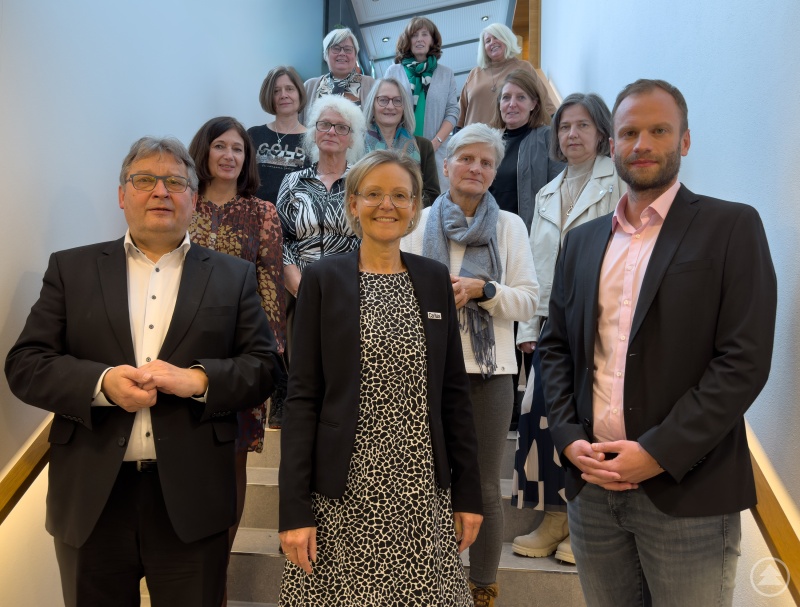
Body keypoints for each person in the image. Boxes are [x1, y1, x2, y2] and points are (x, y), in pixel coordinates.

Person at [4, 137, 281, 607]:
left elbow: (264, 367)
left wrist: (199, 380)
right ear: (121, 195)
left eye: (175, 181)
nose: (160, 191)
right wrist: (101, 385)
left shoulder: (232, 276)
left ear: (193, 198)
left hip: (192, 503)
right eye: (144, 180)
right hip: (91, 501)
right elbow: (26, 364)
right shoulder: (72, 269)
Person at [539, 79, 777, 606]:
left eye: (658, 130)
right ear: (613, 144)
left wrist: (657, 452)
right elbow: (555, 346)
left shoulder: (731, 227)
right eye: (629, 132)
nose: (642, 143)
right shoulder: (581, 241)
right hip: (592, 488)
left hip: (687, 493)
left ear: (685, 141)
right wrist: (568, 437)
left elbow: (743, 361)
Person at [278, 150, 483, 606]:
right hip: (342, 490)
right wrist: (293, 507)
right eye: (373, 194)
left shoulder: (434, 281)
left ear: (414, 207)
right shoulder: (322, 279)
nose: (386, 205)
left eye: (399, 195)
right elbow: (302, 398)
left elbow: (454, 398)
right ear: (352, 203)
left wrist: (469, 494)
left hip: (418, 489)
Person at [401, 124, 538, 607]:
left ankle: (483, 586)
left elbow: (528, 301)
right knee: (423, 477)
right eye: (467, 159)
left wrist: (485, 291)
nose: (476, 169)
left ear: (494, 172)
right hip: (423, 367)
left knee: (480, 481)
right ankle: (426, 578)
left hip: (489, 371)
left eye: (485, 162)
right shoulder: (415, 223)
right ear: (446, 165)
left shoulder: (509, 227)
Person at [511, 93, 624, 564]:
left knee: (590, 422)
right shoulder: (547, 192)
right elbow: (537, 265)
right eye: (564, 127)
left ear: (601, 133)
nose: (572, 134)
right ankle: (554, 516)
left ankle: (585, 526)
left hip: (600, 322)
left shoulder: (618, 182)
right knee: (542, 419)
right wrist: (529, 326)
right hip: (551, 322)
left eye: (581, 126)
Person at [187, 116, 286, 602]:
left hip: (242, 359)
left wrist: (267, 354)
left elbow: (270, 285)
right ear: (203, 151)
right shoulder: (181, 205)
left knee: (232, 466)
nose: (230, 156)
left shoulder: (264, 213)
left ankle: (217, 578)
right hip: (180, 359)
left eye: (239, 149)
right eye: (220, 146)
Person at [277, 95, 366, 302]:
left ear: (352, 139)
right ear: (314, 132)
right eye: (324, 124)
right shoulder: (293, 181)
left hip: (351, 290)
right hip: (298, 290)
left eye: (341, 127)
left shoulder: (362, 183)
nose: (331, 131)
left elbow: (369, 240)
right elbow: (279, 239)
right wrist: (301, 289)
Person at [385, 16, 459, 189]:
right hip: (399, 151)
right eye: (414, 35)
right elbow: (383, 109)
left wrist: (435, 143)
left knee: (434, 204)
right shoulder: (393, 71)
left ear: (432, 40)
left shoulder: (446, 74)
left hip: (437, 151)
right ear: (407, 40)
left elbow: (452, 112)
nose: (419, 39)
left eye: (425, 34)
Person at [489, 69, 564, 231]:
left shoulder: (548, 138)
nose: (512, 104)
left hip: (532, 236)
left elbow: (559, 191)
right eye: (506, 97)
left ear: (534, 104)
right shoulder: (489, 143)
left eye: (521, 97)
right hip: (494, 234)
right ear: (499, 104)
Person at [457, 23, 555, 129]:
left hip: (512, 140)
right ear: (484, 48)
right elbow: (460, 113)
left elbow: (545, 103)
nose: (492, 42)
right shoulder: (474, 73)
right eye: (487, 41)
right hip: (473, 140)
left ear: (506, 39)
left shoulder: (524, 67)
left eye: (496, 37)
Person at [363, 77, 440, 206]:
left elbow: (432, 195)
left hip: (410, 220)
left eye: (397, 101)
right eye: (383, 100)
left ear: (404, 107)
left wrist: (403, 207)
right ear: (372, 104)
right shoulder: (354, 144)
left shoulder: (424, 146)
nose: (390, 106)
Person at [248, 66, 310, 205]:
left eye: (289, 89)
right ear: (269, 96)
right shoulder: (253, 135)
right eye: (276, 91)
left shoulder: (314, 140)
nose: (283, 95)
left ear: (299, 93)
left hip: (295, 222)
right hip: (256, 219)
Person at [300, 27, 375, 123]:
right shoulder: (309, 87)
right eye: (336, 48)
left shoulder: (370, 85)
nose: (342, 53)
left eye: (348, 49)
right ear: (325, 55)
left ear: (355, 55)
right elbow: (299, 124)